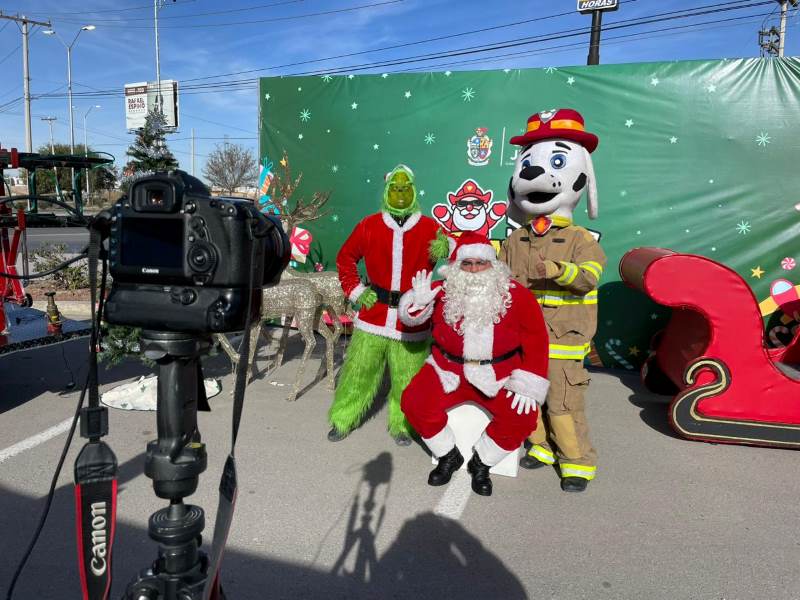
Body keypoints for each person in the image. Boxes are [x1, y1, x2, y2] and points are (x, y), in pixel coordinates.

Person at [501, 108, 606, 492]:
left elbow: (589, 277)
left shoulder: (580, 239)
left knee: (563, 404)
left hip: (564, 340)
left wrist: (561, 271)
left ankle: (577, 463)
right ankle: (541, 446)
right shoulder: (516, 239)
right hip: (525, 341)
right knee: (527, 397)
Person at [399, 232, 550, 496]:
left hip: (499, 372)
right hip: (447, 368)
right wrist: (417, 305)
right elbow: (412, 323)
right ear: (456, 266)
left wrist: (529, 380)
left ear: (493, 264)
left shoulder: (518, 295)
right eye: (466, 263)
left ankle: (482, 462)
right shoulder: (441, 291)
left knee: (521, 418)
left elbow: (536, 339)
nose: (473, 269)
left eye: (481, 263)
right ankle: (448, 455)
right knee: (414, 402)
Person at [329, 164, 444, 444]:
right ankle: (343, 418)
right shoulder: (369, 225)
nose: (400, 194)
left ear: (413, 191)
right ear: (386, 191)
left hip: (412, 320)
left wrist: (445, 247)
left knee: (408, 378)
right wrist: (357, 291)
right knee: (358, 372)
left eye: (405, 189)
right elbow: (345, 258)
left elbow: (458, 256)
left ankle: (402, 425)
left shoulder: (431, 227)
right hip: (374, 316)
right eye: (395, 188)